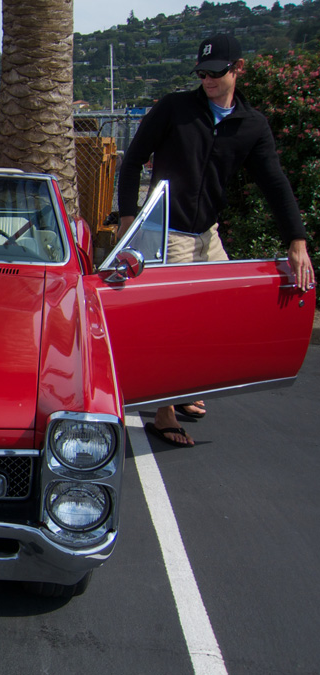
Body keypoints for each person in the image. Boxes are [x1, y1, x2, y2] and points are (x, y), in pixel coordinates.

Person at [116, 33, 316, 447]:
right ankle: (165, 411)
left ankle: (187, 388)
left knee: (216, 317)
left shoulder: (251, 124)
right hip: (168, 232)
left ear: (237, 69)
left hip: (207, 233)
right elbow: (132, 160)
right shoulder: (175, 108)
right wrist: (128, 218)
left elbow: (274, 183)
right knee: (173, 324)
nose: (207, 80)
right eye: (202, 73)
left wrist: (297, 240)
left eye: (215, 73)